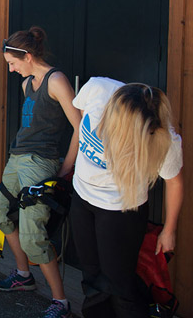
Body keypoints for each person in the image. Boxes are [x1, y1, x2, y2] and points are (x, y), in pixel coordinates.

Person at [70, 78, 183, 318]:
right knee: (90, 275)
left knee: (119, 284)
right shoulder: (97, 90)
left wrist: (169, 230)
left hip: (121, 211)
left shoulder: (164, 138)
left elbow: (174, 182)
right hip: (81, 198)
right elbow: (79, 123)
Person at [0, 26, 81, 318]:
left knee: (33, 237)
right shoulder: (26, 83)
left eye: (13, 63)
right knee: (1, 214)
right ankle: (23, 275)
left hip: (41, 163)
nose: (12, 69)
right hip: (16, 158)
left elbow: (80, 125)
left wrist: (66, 166)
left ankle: (61, 303)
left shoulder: (56, 80)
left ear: (28, 56)